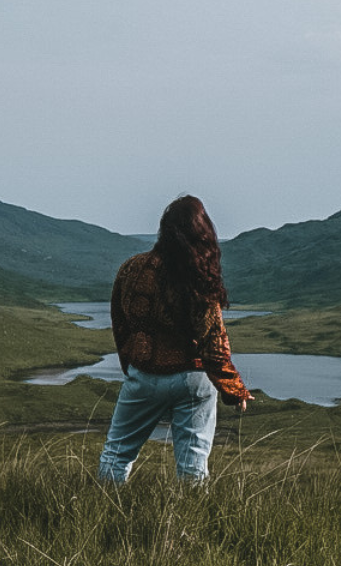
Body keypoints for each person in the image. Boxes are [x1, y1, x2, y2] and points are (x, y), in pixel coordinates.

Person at [97, 195, 252, 483]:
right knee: (193, 464)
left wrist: (132, 366)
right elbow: (212, 338)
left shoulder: (132, 268)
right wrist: (234, 388)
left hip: (143, 374)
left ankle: (105, 513)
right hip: (192, 377)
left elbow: (121, 323)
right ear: (202, 231)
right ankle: (190, 524)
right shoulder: (198, 275)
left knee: (116, 453)